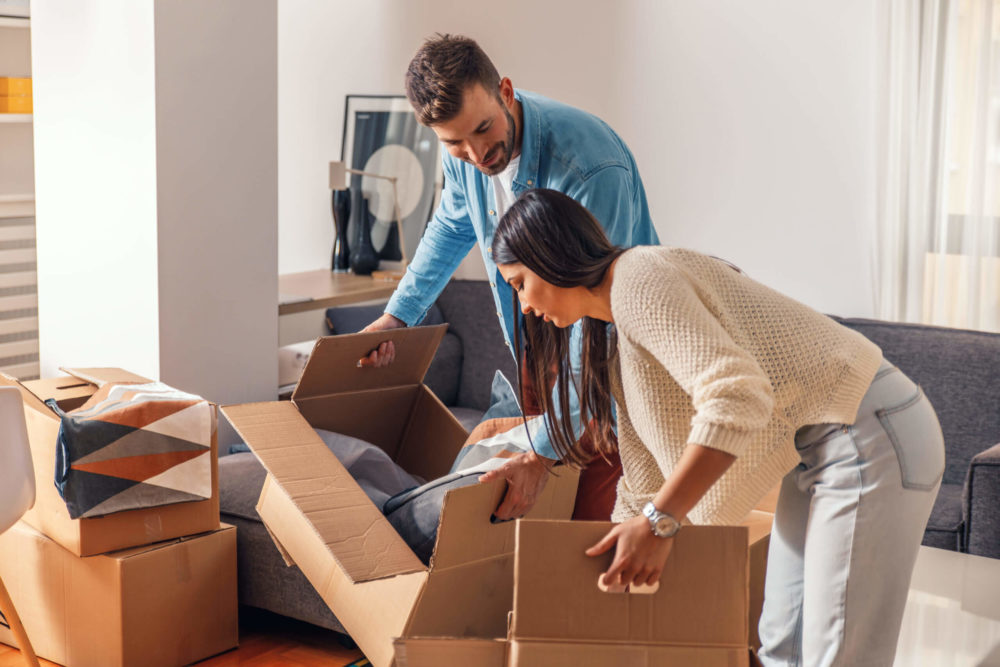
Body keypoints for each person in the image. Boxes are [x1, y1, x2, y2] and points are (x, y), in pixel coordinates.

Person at [491, 188, 945, 667]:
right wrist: (610, 569)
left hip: (869, 428)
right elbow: (643, 480)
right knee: (781, 646)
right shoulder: (614, 340)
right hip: (820, 448)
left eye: (520, 283)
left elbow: (736, 395)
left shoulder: (639, 277)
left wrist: (658, 524)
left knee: (836, 656)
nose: (522, 305)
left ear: (550, 256)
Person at [361, 34, 659, 520]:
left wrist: (543, 451)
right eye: (455, 142)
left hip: (606, 343)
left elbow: (599, 315)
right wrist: (399, 316)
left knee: (593, 511)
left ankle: (593, 592)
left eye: (483, 129)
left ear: (505, 91)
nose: (477, 154)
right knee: (525, 505)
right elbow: (452, 225)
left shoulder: (588, 165)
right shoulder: (460, 148)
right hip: (535, 329)